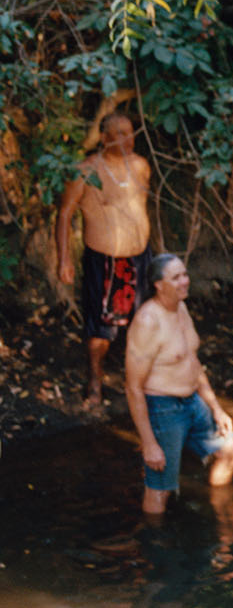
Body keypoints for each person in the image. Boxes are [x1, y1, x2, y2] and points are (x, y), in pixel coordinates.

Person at [124, 253, 233, 516]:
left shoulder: (181, 308)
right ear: (158, 284)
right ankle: (155, 544)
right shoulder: (147, 322)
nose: (185, 281)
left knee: (229, 449)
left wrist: (216, 408)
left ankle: (219, 513)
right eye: (176, 277)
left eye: (185, 274)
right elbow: (133, 387)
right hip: (163, 408)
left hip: (192, 403)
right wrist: (149, 443)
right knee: (160, 486)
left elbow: (192, 362)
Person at [54, 109, 153, 406]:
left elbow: (140, 207)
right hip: (105, 261)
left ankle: (138, 380)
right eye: (120, 133)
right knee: (101, 327)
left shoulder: (140, 165)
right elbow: (64, 214)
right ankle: (95, 381)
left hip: (140, 258)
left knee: (143, 321)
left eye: (131, 132)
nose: (128, 139)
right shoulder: (86, 171)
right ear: (104, 137)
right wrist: (64, 259)